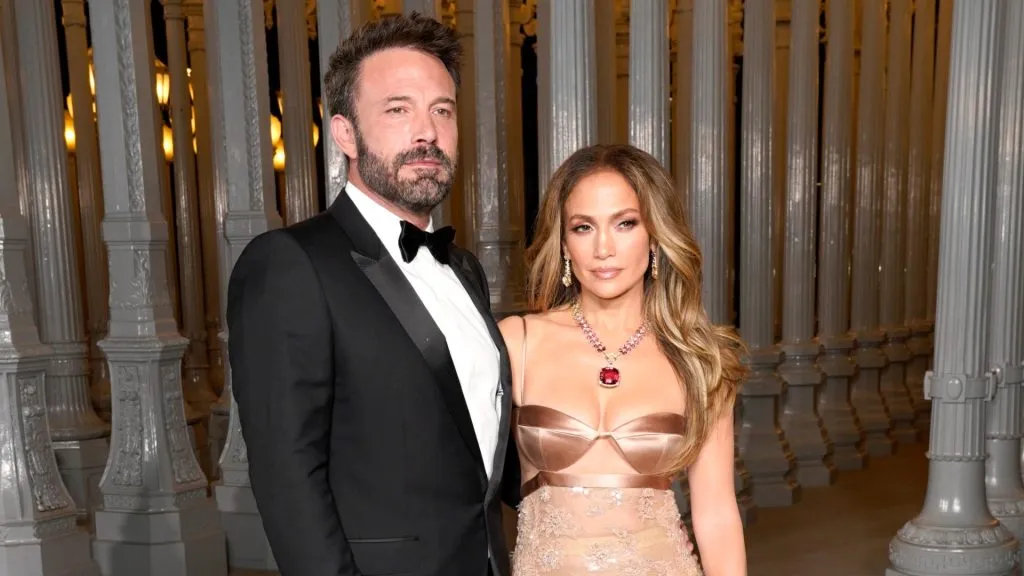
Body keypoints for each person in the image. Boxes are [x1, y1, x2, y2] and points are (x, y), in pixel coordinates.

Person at [226, 13, 519, 576]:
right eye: (397, 110)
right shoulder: (290, 264)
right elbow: (288, 478)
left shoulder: (464, 269)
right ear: (344, 133)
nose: (427, 132)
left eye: (442, 110)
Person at [498, 144, 747, 575]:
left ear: (655, 234)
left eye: (625, 223)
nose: (603, 248)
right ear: (564, 243)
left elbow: (717, 516)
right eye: (583, 227)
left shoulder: (700, 359)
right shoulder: (518, 341)